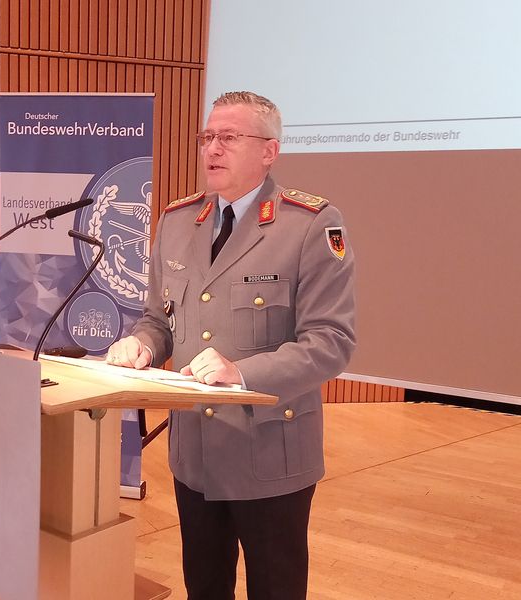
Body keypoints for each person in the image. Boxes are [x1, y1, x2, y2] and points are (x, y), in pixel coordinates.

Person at [106, 91, 356, 600]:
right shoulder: (178, 223)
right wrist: (142, 345)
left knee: (276, 589)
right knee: (205, 587)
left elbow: (331, 341)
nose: (212, 148)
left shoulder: (309, 225)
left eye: (229, 137)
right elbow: (159, 318)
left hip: (270, 453)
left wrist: (241, 373)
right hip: (195, 452)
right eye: (207, 137)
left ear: (269, 151)